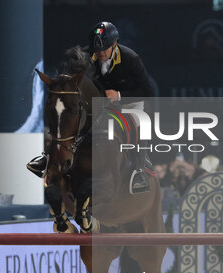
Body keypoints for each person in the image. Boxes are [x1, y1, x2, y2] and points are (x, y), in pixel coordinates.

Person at [27, 21, 155, 194]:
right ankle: (48, 157)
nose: (100, 54)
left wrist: (119, 95)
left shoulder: (130, 58)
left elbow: (148, 90)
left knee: (141, 120)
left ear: (114, 44)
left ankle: (139, 171)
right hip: (96, 102)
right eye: (97, 50)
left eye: (104, 50)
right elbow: (69, 79)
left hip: (126, 101)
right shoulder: (85, 56)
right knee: (68, 116)